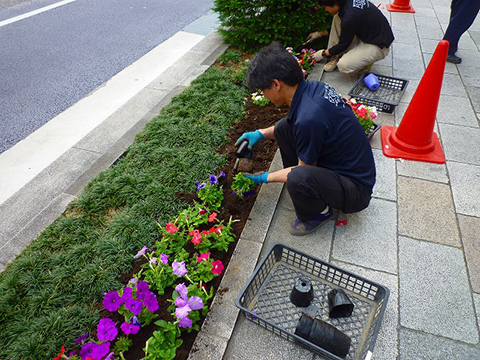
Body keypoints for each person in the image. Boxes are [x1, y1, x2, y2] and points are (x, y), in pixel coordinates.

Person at [237, 42, 376, 236]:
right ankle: (308, 187)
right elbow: (294, 125)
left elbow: (303, 169)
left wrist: (264, 178)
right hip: (346, 168)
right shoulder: (314, 88)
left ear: (276, 85)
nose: (264, 96)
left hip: (356, 190)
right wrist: (260, 133)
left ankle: (319, 213)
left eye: (263, 91)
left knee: (298, 177)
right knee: (284, 127)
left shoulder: (309, 119)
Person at [308, 0, 394, 73]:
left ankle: (365, 63)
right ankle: (334, 56)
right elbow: (345, 29)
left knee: (343, 65)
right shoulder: (347, 4)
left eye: (325, 7)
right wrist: (319, 33)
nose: (325, 9)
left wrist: (323, 53)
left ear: (334, 3)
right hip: (370, 35)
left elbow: (343, 44)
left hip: (379, 45)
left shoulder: (350, 16)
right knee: (337, 17)